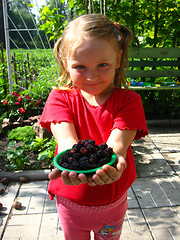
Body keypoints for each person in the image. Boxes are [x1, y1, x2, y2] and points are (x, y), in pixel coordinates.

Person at [40, 14, 149, 240]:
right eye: (80, 66)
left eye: (102, 65)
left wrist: (109, 161)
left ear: (118, 60)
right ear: (65, 64)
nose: (91, 77)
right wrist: (69, 158)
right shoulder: (59, 98)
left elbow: (116, 145)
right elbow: (66, 141)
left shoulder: (129, 101)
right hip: (71, 203)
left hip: (112, 203)